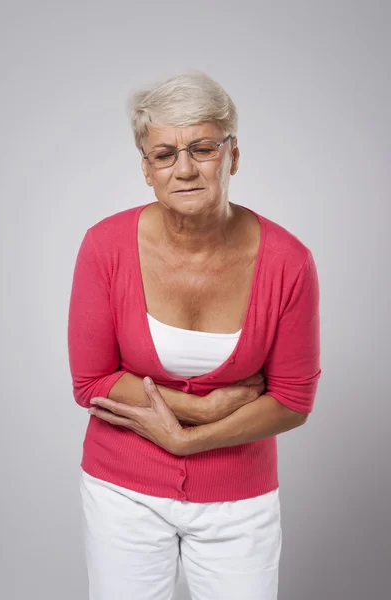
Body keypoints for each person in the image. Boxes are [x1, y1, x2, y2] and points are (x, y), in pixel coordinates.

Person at [67, 69, 321, 600]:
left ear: (232, 155)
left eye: (202, 147)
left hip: (240, 497)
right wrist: (204, 409)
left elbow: (294, 400)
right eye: (164, 154)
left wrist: (191, 439)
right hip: (123, 491)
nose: (184, 168)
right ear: (146, 168)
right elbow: (91, 381)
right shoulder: (104, 247)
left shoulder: (288, 262)